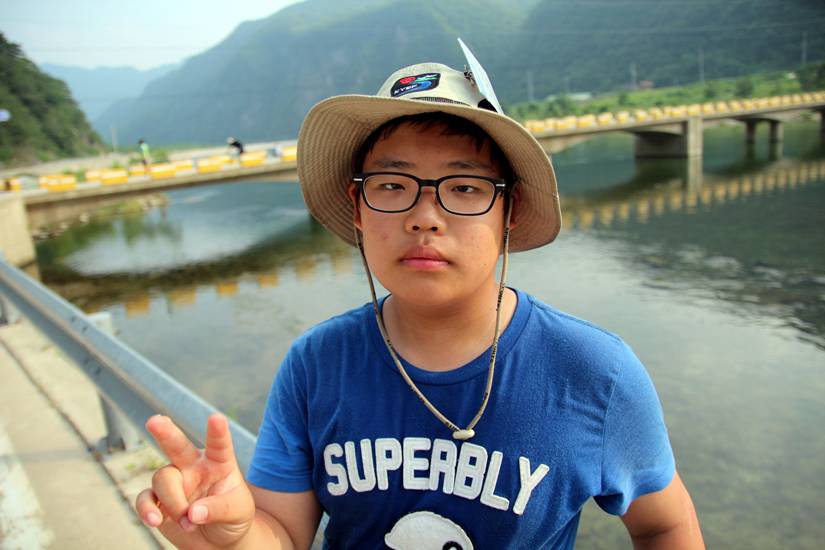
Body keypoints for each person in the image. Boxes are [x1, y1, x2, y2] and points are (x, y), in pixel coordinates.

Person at [135, 60, 704, 549]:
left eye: (464, 188)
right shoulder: (317, 365)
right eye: (391, 185)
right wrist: (232, 536)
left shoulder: (594, 372)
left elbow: (663, 525)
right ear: (357, 207)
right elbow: (282, 534)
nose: (425, 217)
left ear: (509, 210)